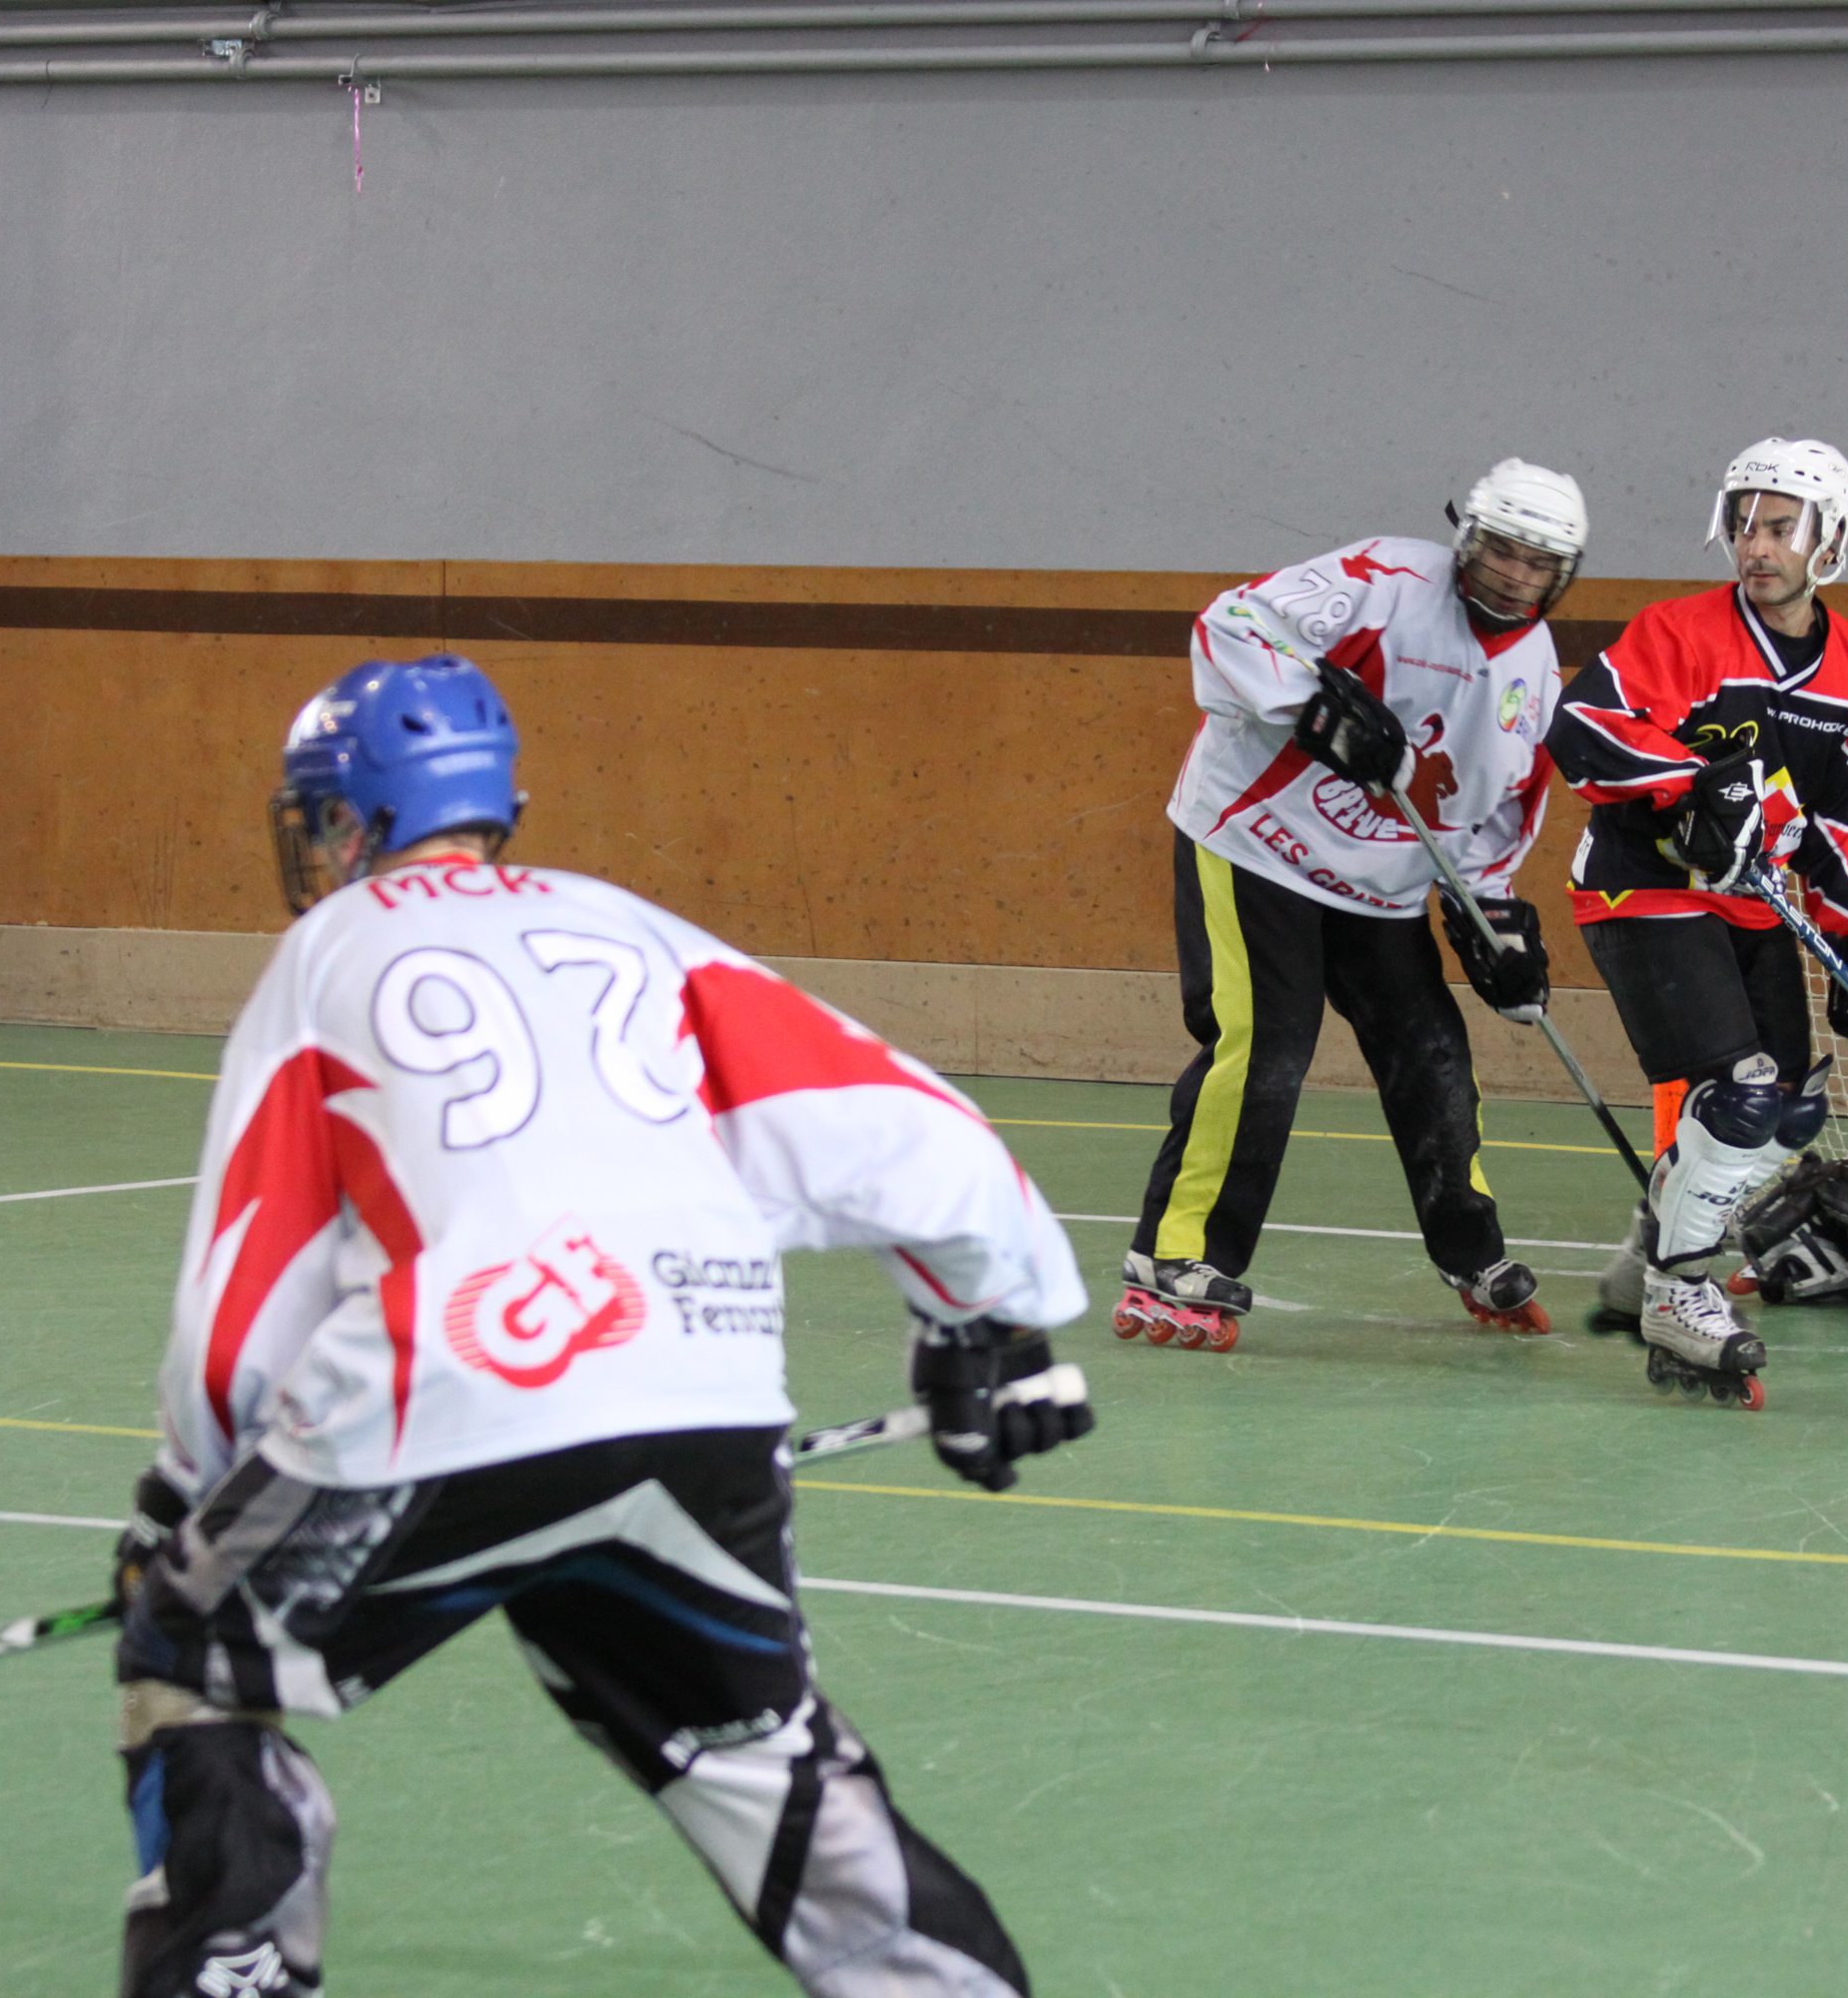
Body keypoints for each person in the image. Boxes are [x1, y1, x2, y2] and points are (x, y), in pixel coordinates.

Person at [108, 655, 1093, 1998]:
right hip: (703, 1403)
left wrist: (190, 1494)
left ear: (355, 819)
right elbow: (912, 1134)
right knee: (761, 1756)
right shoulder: (631, 927)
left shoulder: (328, 953)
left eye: (325, 818)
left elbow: (251, 1276)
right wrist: (988, 1330)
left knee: (194, 1666)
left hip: (441, 1403)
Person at [1115, 460, 1589, 1352]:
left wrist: (1492, 921)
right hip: (1257, 843)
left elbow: (1497, 814)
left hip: (1381, 889)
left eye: (1539, 564)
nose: (1515, 576)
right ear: (1467, 539)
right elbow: (1229, 624)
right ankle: (1174, 1255)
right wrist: (1314, 709)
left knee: (1433, 1053)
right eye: (1501, 551)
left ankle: (1471, 1252)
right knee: (1267, 1048)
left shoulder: (1533, 678)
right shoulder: (1384, 580)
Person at [1544, 438, 1848, 1404]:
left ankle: (1650, 1248)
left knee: (1789, 1110)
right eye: (1744, 524)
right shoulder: (1679, 631)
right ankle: (1680, 1291)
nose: (1758, 546)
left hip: (1753, 903)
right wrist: (1691, 782)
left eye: (1781, 528)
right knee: (1738, 1097)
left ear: (1829, 540)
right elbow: (1582, 728)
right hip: (1642, 888)